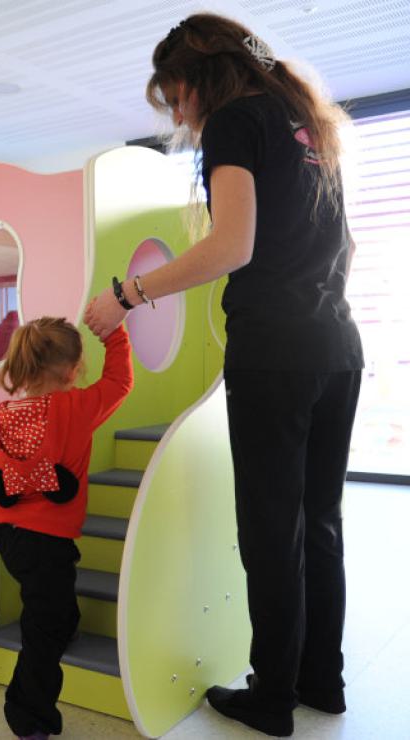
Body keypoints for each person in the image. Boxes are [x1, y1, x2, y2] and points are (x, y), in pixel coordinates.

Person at [83, 13, 363, 738]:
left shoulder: (237, 122)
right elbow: (344, 245)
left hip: (274, 352)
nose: (177, 114)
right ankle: (320, 681)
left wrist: (125, 297)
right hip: (337, 344)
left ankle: (271, 698)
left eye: (173, 96)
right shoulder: (308, 126)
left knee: (272, 531)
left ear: (197, 79)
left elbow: (232, 246)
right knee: (319, 522)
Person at [0, 318, 133, 739]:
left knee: (52, 595)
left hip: (7, 535)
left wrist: (21, 479)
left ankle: (66, 622)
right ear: (73, 370)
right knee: (42, 628)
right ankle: (27, 715)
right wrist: (114, 330)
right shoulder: (75, 408)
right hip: (48, 538)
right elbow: (120, 381)